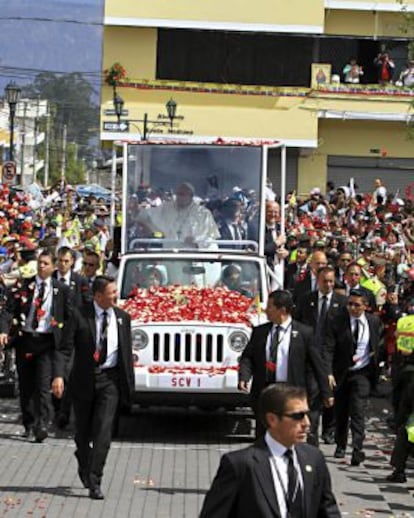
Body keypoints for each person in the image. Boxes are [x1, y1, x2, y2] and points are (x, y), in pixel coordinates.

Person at [199, 384, 341, 518]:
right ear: (272, 419)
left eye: (307, 414)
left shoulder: (313, 458)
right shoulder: (241, 465)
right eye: (298, 416)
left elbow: (328, 510)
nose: (306, 423)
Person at [52, 275, 134, 500]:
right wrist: (59, 375)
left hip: (110, 382)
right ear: (98, 296)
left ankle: (95, 480)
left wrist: (129, 388)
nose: (116, 295)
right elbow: (64, 349)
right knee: (83, 433)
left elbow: (126, 356)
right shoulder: (80, 315)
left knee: (103, 433)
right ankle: (83, 458)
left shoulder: (122, 318)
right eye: (112, 292)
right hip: (84, 381)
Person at [238, 290, 333, 438]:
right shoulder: (260, 332)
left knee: (289, 433)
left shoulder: (304, 333)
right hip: (266, 390)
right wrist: (244, 376)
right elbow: (247, 357)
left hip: (290, 392)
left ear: (282, 310)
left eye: (270, 307)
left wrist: (326, 393)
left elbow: (317, 365)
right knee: (264, 434)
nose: (266, 310)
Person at [0, 249, 72, 442]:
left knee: (43, 385)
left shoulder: (61, 290)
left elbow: (69, 316)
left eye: (46, 263)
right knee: (26, 386)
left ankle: (42, 424)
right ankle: (29, 423)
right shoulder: (24, 286)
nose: (41, 266)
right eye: (40, 262)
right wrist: (4, 330)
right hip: (26, 340)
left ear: (53, 267)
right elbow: (8, 309)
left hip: (47, 341)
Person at [325, 289, 384, 465]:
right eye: (349, 304)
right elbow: (328, 348)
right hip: (342, 373)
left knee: (358, 411)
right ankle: (340, 444)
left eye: (356, 305)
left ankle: (357, 449)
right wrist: (328, 372)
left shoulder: (373, 322)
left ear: (365, 306)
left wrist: (377, 363)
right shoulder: (337, 322)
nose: (352, 308)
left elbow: (378, 344)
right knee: (341, 411)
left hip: (362, 373)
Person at [295, 266, 348, 445]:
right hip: (310, 357)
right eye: (325, 281)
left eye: (331, 281)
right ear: (317, 281)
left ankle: (329, 430)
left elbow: (343, 337)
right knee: (314, 398)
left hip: (332, 358)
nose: (328, 285)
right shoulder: (306, 300)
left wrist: (331, 368)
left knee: (330, 399)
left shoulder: (342, 303)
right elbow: (298, 324)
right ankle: (312, 439)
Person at [136, 182, 220, 247]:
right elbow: (147, 215)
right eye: (178, 194)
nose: (179, 197)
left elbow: (211, 237)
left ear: (190, 196)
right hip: (171, 254)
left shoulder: (203, 213)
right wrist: (135, 211)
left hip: (194, 256)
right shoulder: (167, 207)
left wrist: (196, 240)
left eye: (182, 194)